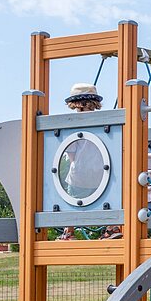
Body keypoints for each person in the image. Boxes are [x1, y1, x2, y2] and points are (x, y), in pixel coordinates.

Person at [57, 84, 122, 240]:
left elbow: (71, 154)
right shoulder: (104, 123)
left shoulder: (72, 125)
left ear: (75, 105)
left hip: (78, 176)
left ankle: (69, 231)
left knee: (71, 203)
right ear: (94, 104)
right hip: (100, 174)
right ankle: (111, 228)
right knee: (108, 201)